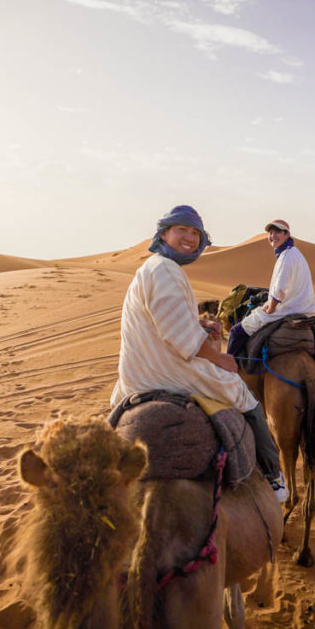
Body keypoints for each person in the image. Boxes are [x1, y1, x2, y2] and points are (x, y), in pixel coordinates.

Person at [110, 205, 289, 502]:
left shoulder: (157, 268)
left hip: (140, 371)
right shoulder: (163, 270)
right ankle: (273, 476)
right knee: (244, 397)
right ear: (164, 232)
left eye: (196, 233)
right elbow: (179, 338)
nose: (190, 238)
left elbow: (167, 319)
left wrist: (198, 323)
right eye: (182, 230)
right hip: (165, 370)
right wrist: (220, 359)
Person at [227, 219, 315, 359]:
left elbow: (280, 287)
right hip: (305, 310)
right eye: (270, 232)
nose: (273, 236)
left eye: (277, 232)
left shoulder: (286, 256)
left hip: (286, 309)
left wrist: (271, 306)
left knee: (236, 332)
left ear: (287, 234)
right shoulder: (295, 254)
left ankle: (227, 373)